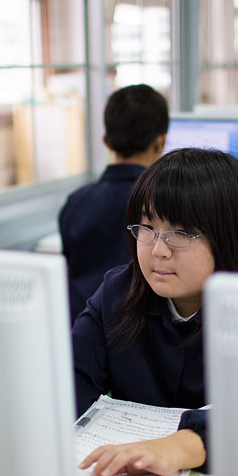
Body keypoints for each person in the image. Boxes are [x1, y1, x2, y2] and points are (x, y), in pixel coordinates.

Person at [73, 148, 238, 476]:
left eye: (181, 233)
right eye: (147, 227)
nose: (158, 250)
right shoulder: (118, 291)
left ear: (228, 236)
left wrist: (183, 446)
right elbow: (70, 378)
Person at [58, 84, 169, 323]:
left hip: (81, 328)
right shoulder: (164, 206)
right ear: (160, 143)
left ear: (107, 142)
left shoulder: (75, 203)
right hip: (137, 332)